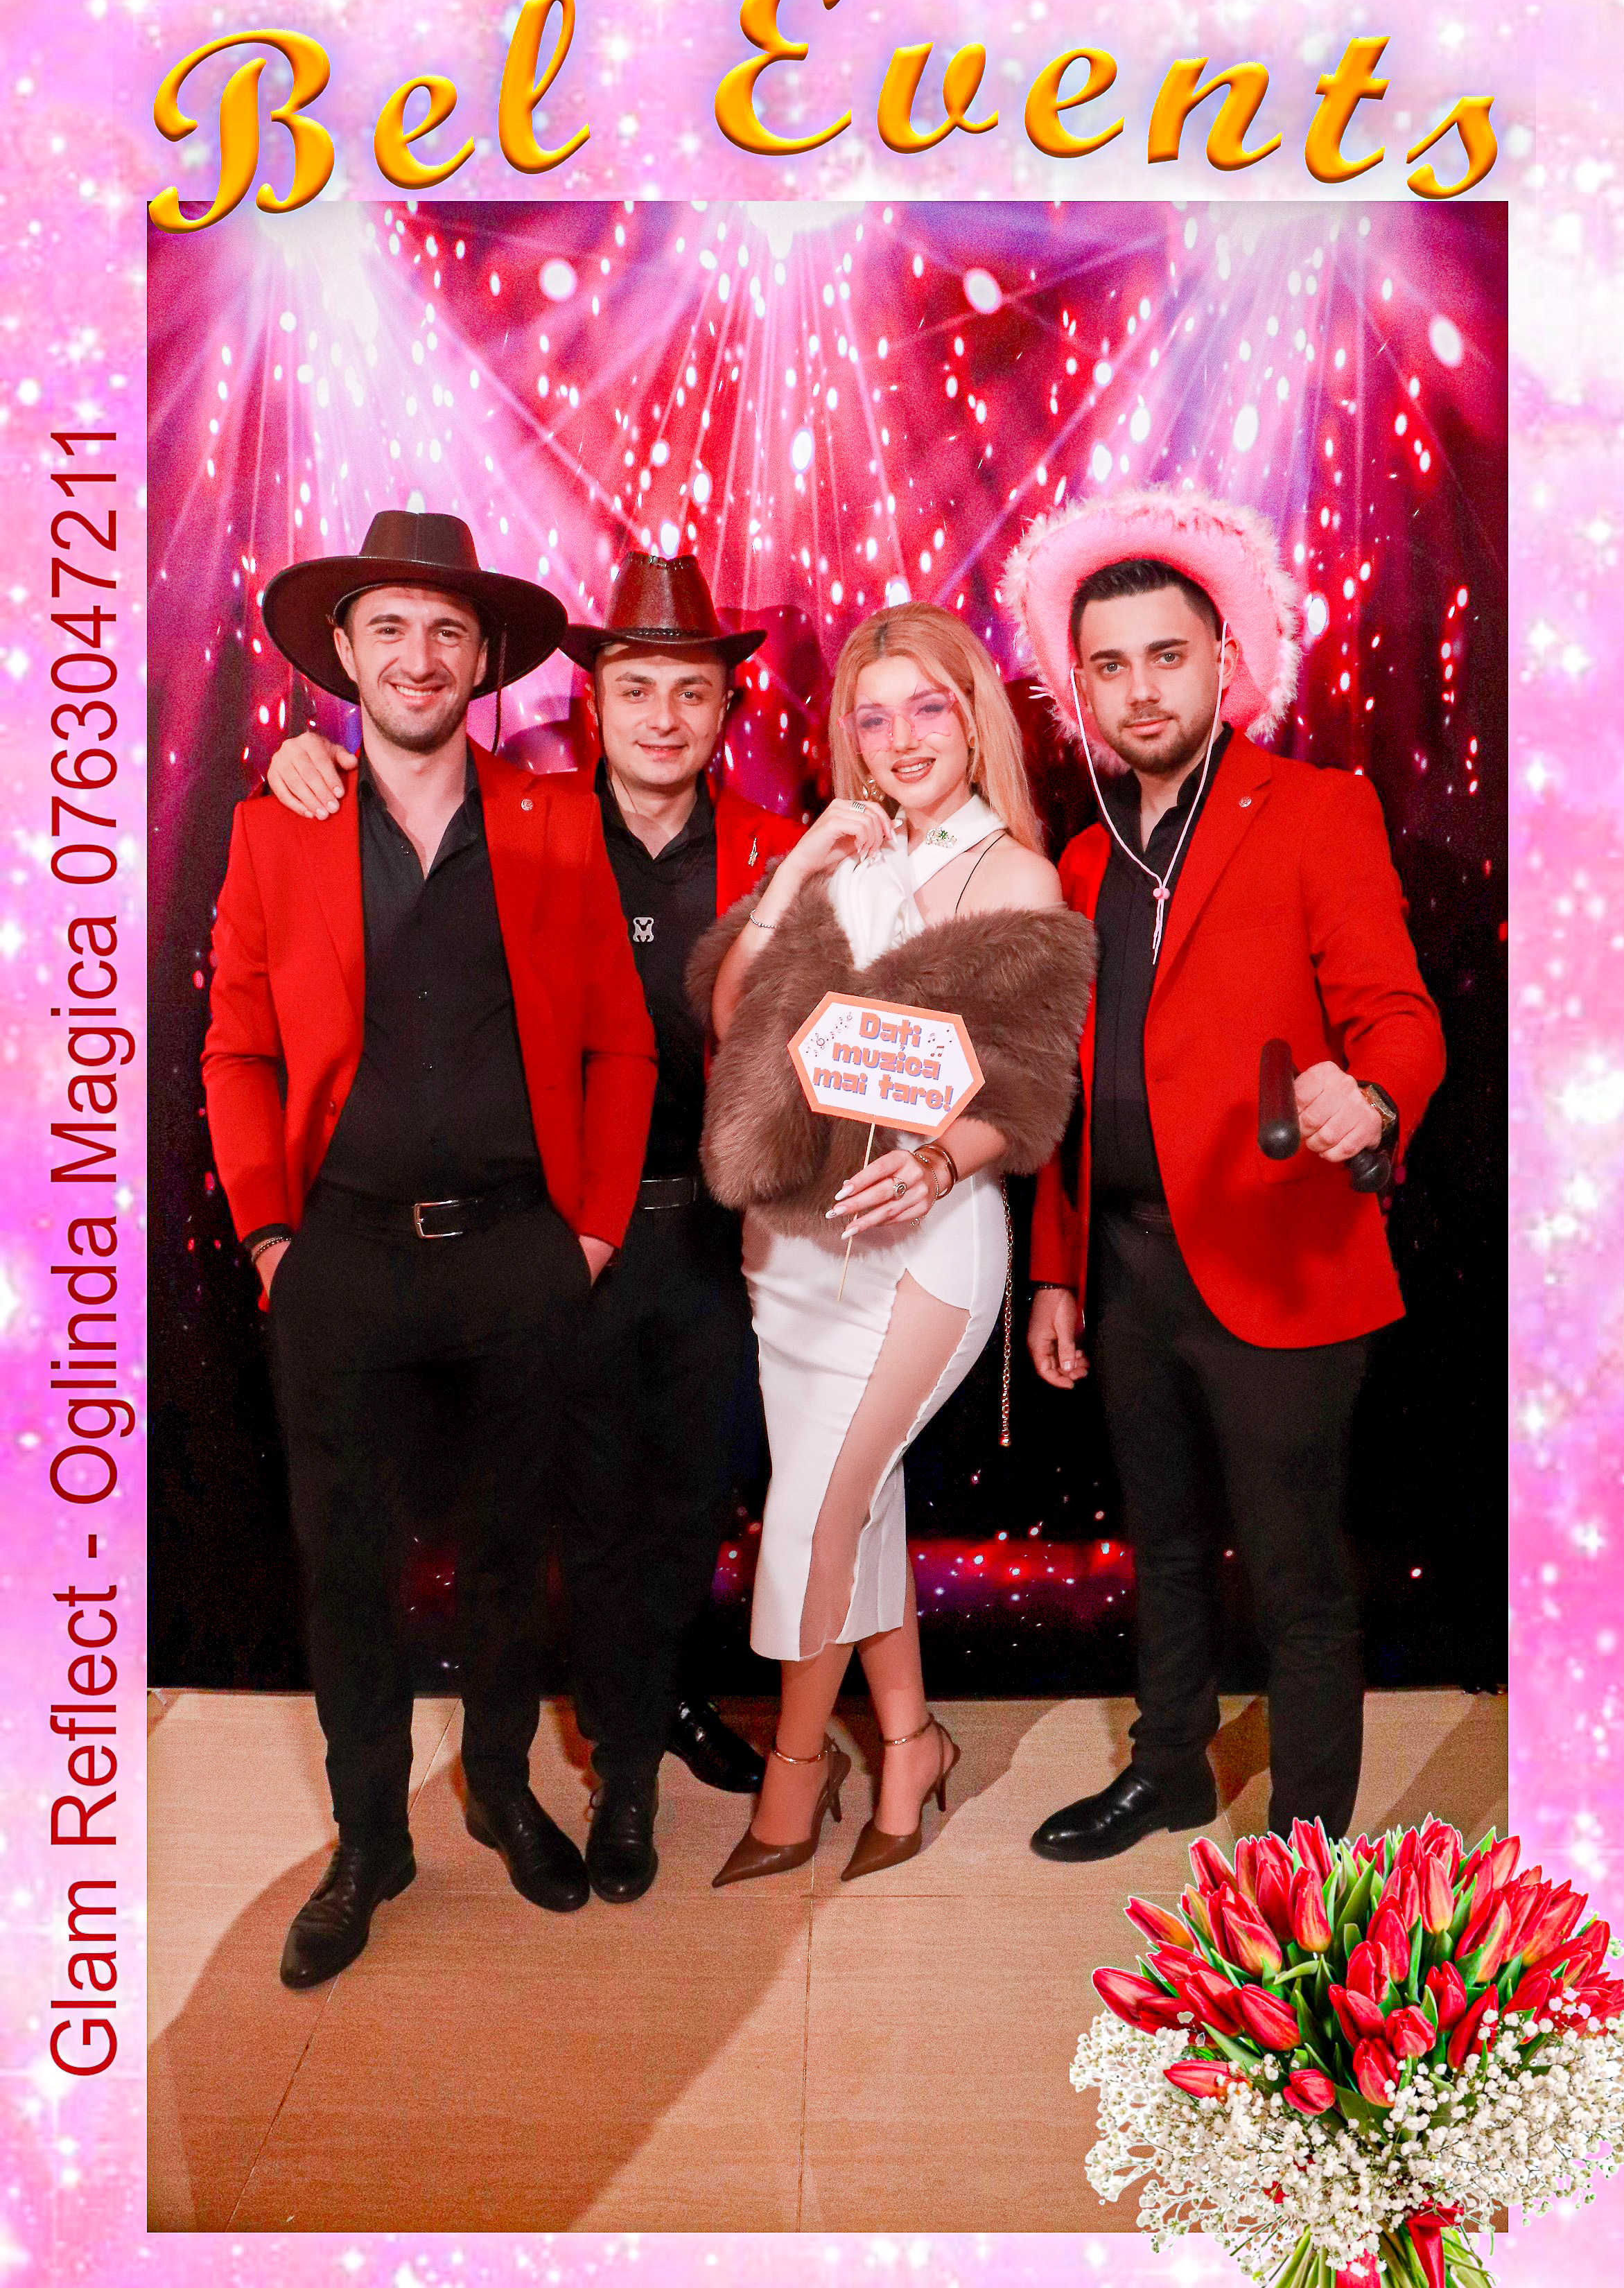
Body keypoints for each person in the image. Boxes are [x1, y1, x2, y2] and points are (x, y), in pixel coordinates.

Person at [264, 550, 803, 1905]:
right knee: (572, 1517)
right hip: (565, 1229)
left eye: (693, 691)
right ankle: (600, 1770)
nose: (666, 717)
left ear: (727, 708)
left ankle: (646, 1726)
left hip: (722, 1243)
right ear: (593, 702)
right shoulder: (538, 818)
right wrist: (300, 760)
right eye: (638, 690)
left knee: (690, 1503)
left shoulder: (777, 848)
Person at [202, 509, 658, 1984]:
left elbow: (622, 1045)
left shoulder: (554, 819)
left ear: (485, 662)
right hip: (337, 1260)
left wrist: (590, 1240)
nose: (419, 655)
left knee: (511, 1552)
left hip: (519, 1257)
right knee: (347, 1568)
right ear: (343, 652)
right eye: (390, 627)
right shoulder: (278, 821)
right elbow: (237, 1048)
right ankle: (367, 1840)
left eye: (447, 631)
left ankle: (504, 1789)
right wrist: (271, 1239)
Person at [1007, 487, 1447, 1857]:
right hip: (1129, 1265)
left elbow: (1401, 1017)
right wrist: (1056, 1274)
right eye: (1110, 665)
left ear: (1223, 662)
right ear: (1081, 688)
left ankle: (1306, 1861)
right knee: (1165, 1546)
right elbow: (1067, 1092)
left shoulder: (1317, 808)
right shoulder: (1083, 860)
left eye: (1167, 655)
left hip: (1279, 1254)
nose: (1140, 689)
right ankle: (1172, 1770)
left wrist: (1371, 1098)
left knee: (1299, 1571)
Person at [690, 603, 1095, 1885]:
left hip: (925, 1246)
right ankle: (910, 1744)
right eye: (874, 718)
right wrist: (804, 860)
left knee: (819, 1508)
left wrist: (935, 1160)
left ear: (973, 721)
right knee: (854, 1503)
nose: (903, 737)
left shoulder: (1016, 878)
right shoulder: (844, 865)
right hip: (791, 1250)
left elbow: (1029, 1090)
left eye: (928, 708)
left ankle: (793, 1775)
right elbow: (734, 1015)